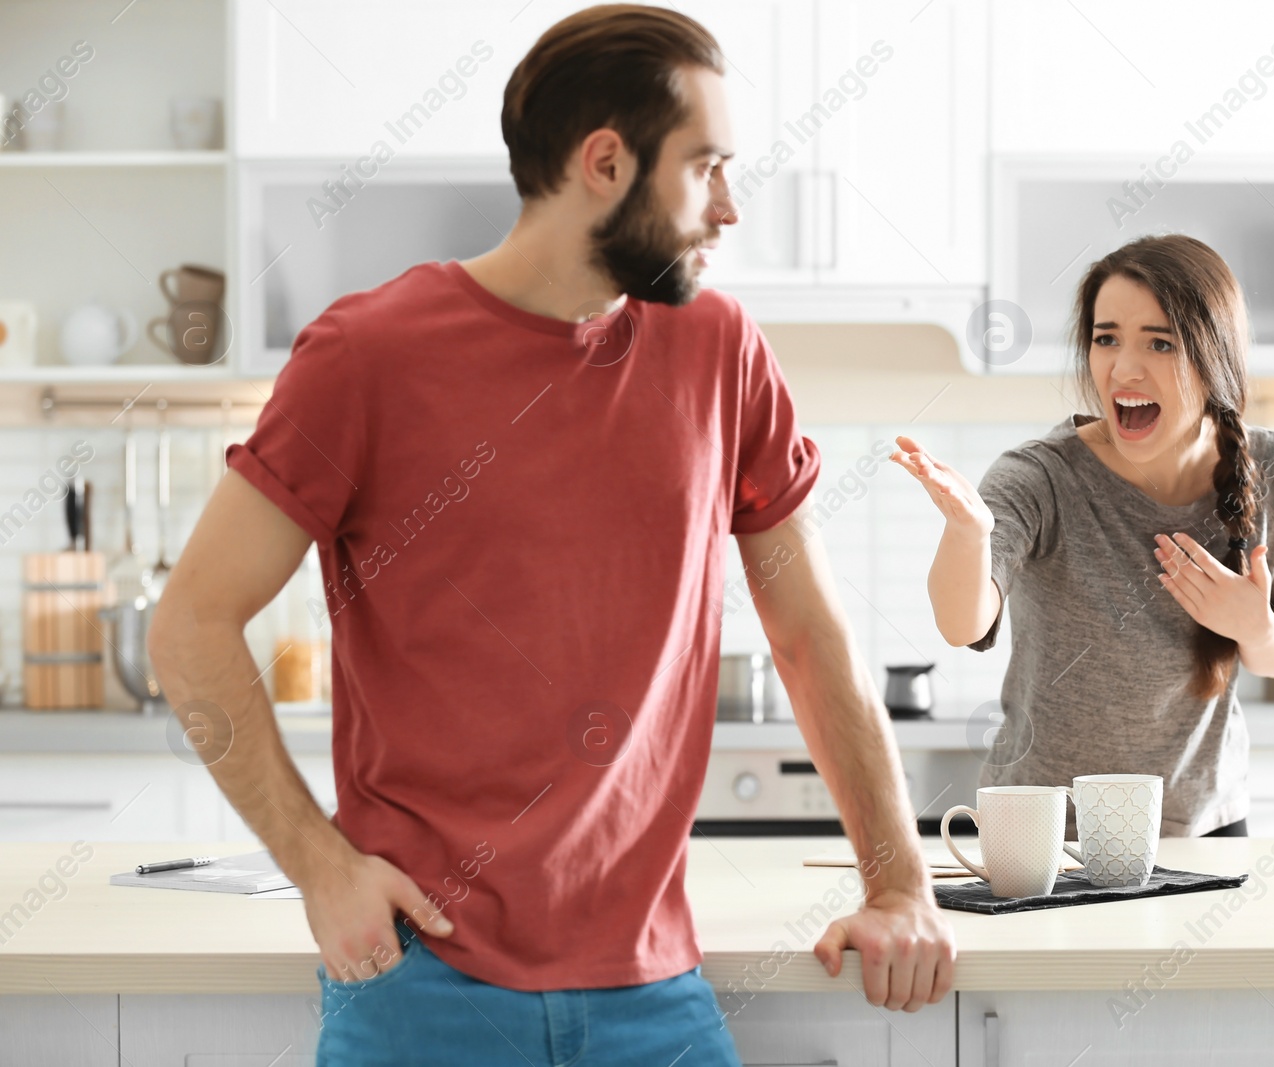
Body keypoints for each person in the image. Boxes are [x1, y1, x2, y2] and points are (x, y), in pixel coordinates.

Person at [147, 6, 954, 1064]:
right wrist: (319, 865)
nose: (729, 208)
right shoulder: (367, 355)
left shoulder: (719, 351)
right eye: (704, 166)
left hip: (652, 991)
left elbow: (808, 633)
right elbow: (191, 624)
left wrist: (899, 880)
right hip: (420, 983)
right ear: (606, 163)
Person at [891, 234, 1274, 838]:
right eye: (1106, 339)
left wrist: (1255, 628)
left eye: (1160, 342)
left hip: (1198, 824)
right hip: (1043, 830)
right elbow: (961, 623)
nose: (1124, 369)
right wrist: (969, 534)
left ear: (1214, 356)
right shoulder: (1039, 476)